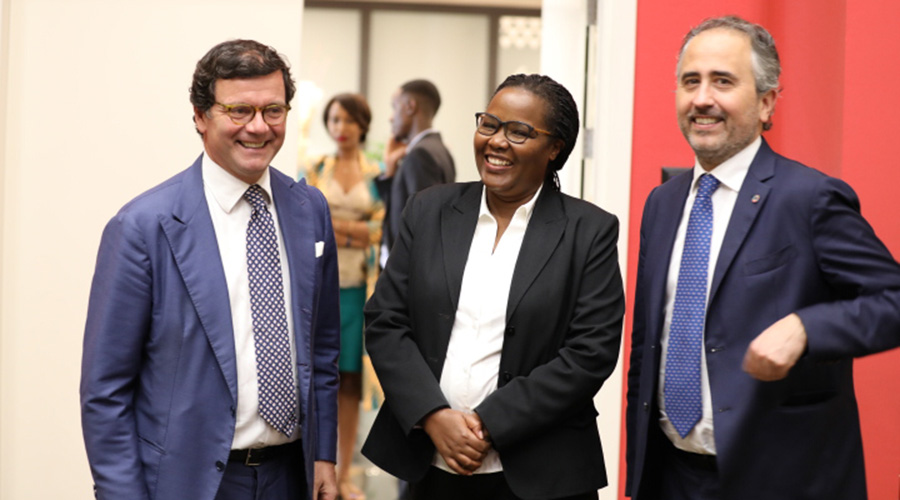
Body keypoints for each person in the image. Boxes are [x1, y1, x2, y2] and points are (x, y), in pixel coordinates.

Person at [625, 16, 900, 500]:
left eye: (723, 81)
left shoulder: (809, 198)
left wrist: (807, 328)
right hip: (670, 476)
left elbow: (894, 300)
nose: (702, 99)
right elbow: (649, 347)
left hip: (778, 478)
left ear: (767, 101)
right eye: (691, 81)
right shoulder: (661, 203)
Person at [80, 39, 340, 500]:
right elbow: (106, 391)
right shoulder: (143, 227)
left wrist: (323, 454)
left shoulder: (309, 208)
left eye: (273, 110)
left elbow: (322, 351)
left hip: (291, 475)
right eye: (239, 110)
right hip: (193, 481)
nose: (258, 127)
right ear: (200, 116)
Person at [362, 74, 625, 500]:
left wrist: (489, 423)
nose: (497, 141)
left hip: (542, 474)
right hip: (430, 464)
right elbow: (385, 321)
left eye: (519, 131)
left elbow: (590, 352)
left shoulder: (588, 231)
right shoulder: (428, 211)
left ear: (554, 148)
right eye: (489, 124)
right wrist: (433, 416)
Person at [303, 93, 385, 500]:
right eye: (334, 119)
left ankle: (346, 471)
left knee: (350, 382)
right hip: (320, 288)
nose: (341, 127)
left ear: (362, 125)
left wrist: (341, 230)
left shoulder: (378, 172)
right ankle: (314, 467)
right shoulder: (316, 168)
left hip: (360, 291)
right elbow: (305, 222)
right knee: (320, 379)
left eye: (349, 120)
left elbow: (384, 230)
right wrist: (356, 230)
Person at [377, 79, 456, 266]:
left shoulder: (420, 155)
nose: (390, 117)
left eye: (394, 107)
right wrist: (390, 169)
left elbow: (423, 226)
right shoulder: (440, 150)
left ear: (410, 106)